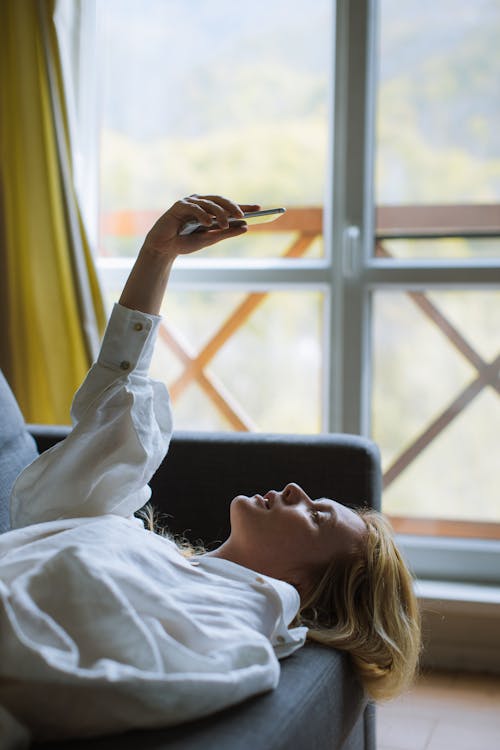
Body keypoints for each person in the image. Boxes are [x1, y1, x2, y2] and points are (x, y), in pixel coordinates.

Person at [0, 195, 421, 745]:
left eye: (317, 516)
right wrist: (157, 255)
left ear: (306, 587)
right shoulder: (132, 534)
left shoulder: (230, 629)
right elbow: (114, 397)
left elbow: (87, 684)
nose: (296, 489)